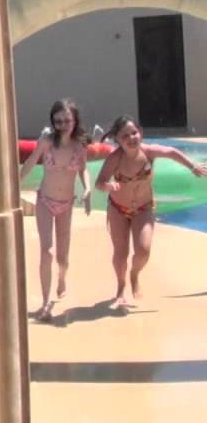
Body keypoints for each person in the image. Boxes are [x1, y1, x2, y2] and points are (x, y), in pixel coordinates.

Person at [95, 115, 207, 307]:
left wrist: (192, 166)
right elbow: (99, 182)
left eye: (134, 133)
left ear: (141, 133)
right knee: (120, 253)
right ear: (118, 140)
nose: (131, 138)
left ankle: (134, 274)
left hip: (143, 208)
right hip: (118, 209)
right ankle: (121, 288)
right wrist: (109, 186)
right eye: (125, 136)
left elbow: (171, 152)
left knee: (143, 251)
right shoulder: (115, 159)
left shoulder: (148, 153)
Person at [17, 99, 92, 320]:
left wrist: (87, 190)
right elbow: (30, 162)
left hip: (66, 203)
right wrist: (16, 184)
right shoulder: (47, 142)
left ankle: (62, 277)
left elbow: (84, 171)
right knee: (46, 251)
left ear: (75, 120)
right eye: (58, 121)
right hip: (45, 201)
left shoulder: (79, 146)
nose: (62, 124)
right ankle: (45, 302)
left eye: (67, 120)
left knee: (62, 258)